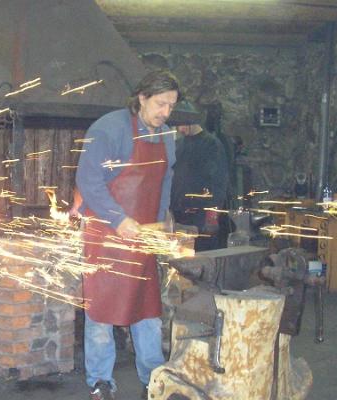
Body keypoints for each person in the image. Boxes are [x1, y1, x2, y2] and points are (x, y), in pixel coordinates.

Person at [76, 70, 180, 400]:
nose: (166, 112)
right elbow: (88, 181)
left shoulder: (166, 136)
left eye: (171, 106)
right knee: (101, 310)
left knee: (148, 309)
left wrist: (164, 218)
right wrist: (118, 219)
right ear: (142, 98)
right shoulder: (108, 129)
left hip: (143, 237)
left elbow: (164, 181)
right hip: (106, 236)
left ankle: (154, 376)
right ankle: (100, 380)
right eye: (161, 104)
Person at [169, 101, 229, 251]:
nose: (179, 129)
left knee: (203, 260)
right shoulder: (178, 145)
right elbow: (173, 179)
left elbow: (218, 183)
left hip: (201, 218)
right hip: (180, 216)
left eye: (181, 124)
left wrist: (211, 217)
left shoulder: (212, 145)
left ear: (191, 121)